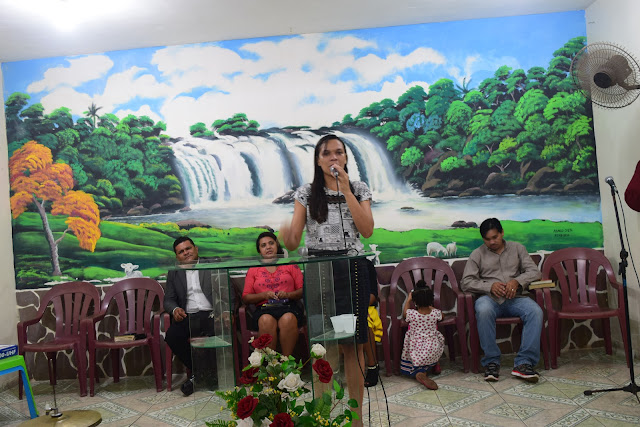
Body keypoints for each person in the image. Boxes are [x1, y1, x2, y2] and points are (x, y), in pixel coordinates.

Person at [279, 134, 375, 424]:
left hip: (352, 271)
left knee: (353, 346)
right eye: (327, 153)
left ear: (346, 157)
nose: (334, 157)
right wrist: (286, 235)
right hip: (320, 274)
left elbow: (367, 230)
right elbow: (294, 240)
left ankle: (356, 418)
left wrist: (346, 190)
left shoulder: (359, 188)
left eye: (339, 152)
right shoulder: (306, 193)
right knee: (323, 347)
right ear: (318, 160)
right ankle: (323, 415)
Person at [461, 218, 543, 383]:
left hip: (515, 299)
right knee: (483, 310)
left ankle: (524, 363)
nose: (492, 242)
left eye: (495, 237)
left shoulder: (518, 248)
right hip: (490, 299)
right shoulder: (477, 254)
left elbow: (535, 272)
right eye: (487, 239)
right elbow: (466, 282)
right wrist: (489, 286)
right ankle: (491, 362)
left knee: (535, 311)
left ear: (502, 233)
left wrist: (517, 281)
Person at [164, 236, 217, 396]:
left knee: (219, 332)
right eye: (181, 251)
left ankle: (201, 375)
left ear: (196, 249)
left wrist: (227, 311)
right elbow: (168, 299)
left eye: (188, 248)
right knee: (172, 336)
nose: (186, 253)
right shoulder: (174, 272)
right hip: (188, 316)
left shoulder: (212, 265)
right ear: (177, 256)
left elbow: (226, 289)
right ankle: (200, 371)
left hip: (211, 314)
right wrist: (175, 310)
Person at [242, 231, 304, 356]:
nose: (268, 247)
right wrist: (263, 295)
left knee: (288, 319)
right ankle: (272, 363)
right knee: (266, 320)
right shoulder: (253, 269)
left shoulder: (290, 264)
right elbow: (246, 297)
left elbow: (302, 290)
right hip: (264, 309)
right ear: (259, 251)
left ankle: (286, 362)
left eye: (271, 243)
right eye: (263, 245)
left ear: (277, 245)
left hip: (289, 307)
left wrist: (288, 295)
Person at [400, 280, 444, 390]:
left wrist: (408, 300)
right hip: (433, 349)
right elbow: (442, 316)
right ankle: (435, 365)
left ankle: (420, 373)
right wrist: (431, 307)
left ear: (415, 301)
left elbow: (404, 314)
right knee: (431, 354)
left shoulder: (412, 314)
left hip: (417, 349)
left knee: (415, 361)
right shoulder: (435, 313)